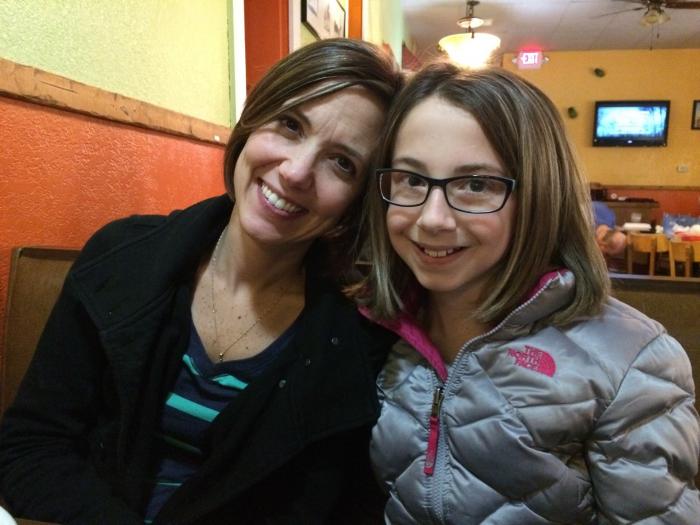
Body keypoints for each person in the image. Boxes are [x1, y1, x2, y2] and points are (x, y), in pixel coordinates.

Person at [0, 39, 402, 524]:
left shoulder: (358, 345)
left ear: (357, 201)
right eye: (291, 125)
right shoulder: (120, 257)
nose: (296, 172)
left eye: (342, 163)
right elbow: (29, 447)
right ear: (253, 120)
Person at [354, 63, 700, 523]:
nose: (432, 218)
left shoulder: (633, 362)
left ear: (539, 197)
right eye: (412, 180)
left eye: (476, 184)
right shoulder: (373, 329)